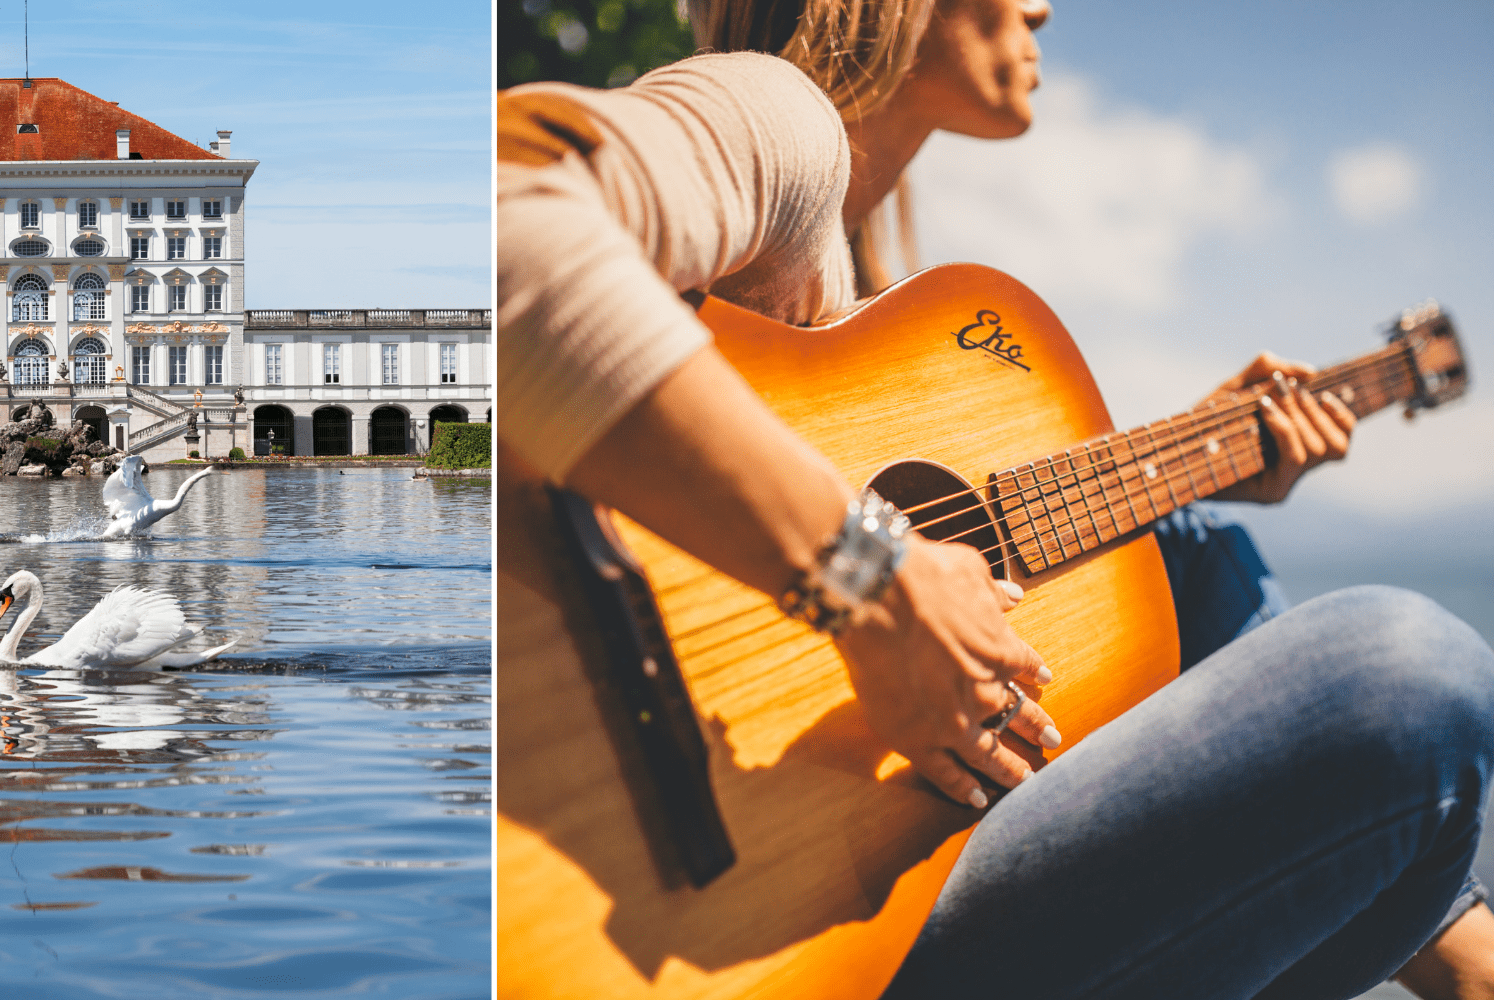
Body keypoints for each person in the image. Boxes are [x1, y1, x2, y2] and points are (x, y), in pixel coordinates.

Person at [497, 0, 1494, 996]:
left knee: (1189, 543)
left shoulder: (883, 304)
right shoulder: (772, 119)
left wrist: (1202, 447)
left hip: (848, 917)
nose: (1040, 6)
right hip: (683, 911)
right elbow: (498, 217)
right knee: (1409, 668)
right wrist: (871, 584)